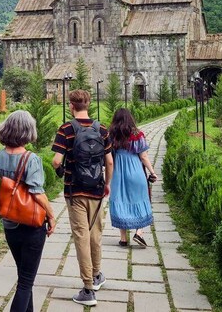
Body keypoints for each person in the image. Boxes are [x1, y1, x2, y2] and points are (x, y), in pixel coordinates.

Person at [52, 89, 113, 307]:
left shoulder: (66, 129)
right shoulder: (101, 128)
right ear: (88, 104)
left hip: (74, 190)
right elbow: (110, 162)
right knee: (95, 233)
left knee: (81, 236)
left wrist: (60, 172)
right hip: (96, 188)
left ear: (71, 105)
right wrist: (106, 185)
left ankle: (88, 289)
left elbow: (57, 161)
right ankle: (96, 276)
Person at [0, 110, 57, 312]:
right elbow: (37, 193)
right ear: (28, 131)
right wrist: (52, 215)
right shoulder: (32, 159)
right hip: (31, 224)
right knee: (26, 282)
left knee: (23, 275)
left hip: (10, 223)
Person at [108, 108, 157, 247]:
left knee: (120, 200)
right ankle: (139, 232)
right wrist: (152, 172)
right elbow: (143, 156)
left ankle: (123, 239)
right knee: (141, 198)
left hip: (118, 172)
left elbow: (108, 155)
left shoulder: (111, 135)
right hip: (135, 171)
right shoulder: (137, 134)